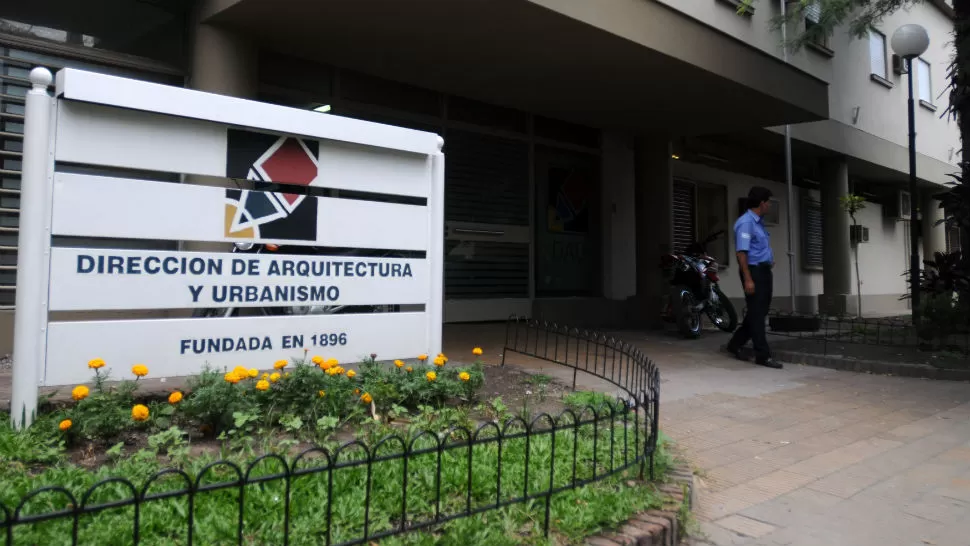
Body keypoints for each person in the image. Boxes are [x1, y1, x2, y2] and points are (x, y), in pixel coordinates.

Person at [725, 186, 782, 369]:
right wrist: (748, 278)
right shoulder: (746, 222)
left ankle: (735, 344)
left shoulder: (758, 222)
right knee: (757, 315)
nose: (770, 206)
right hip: (753, 272)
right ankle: (762, 355)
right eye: (769, 202)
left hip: (763, 271)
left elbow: (758, 247)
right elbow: (742, 253)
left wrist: (769, 260)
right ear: (762, 203)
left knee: (758, 312)